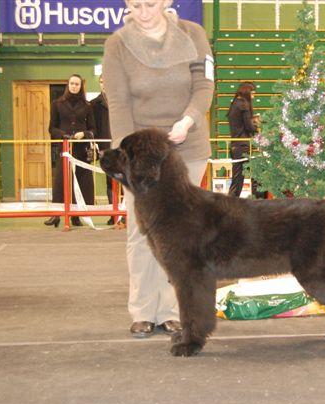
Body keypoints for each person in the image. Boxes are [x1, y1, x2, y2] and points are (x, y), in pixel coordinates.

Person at [103, 0, 214, 337]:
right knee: (141, 234)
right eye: (135, 5)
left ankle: (172, 310)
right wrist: (128, 156)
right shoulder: (117, 45)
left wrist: (189, 120)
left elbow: (204, 86)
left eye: (150, 3)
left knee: (182, 235)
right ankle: (142, 310)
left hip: (187, 147)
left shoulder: (194, 34)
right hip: (141, 157)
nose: (144, 11)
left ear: (166, 2)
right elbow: (119, 105)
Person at [45, 74, 96, 228]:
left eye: (77, 84)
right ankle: (56, 214)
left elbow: (93, 128)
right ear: (68, 85)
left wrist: (85, 134)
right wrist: (65, 135)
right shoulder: (57, 104)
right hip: (66, 148)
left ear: (81, 86)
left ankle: (78, 215)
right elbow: (52, 128)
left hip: (82, 149)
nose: (74, 86)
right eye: (72, 83)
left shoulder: (87, 106)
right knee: (61, 181)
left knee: (82, 182)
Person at [90, 75, 116, 225]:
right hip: (105, 149)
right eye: (102, 81)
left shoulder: (121, 102)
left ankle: (126, 214)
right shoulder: (93, 104)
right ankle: (114, 215)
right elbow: (93, 128)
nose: (105, 84)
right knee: (109, 182)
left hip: (121, 147)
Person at [227, 82, 257, 197]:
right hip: (244, 144)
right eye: (253, 94)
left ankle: (230, 204)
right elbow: (249, 127)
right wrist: (256, 126)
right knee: (256, 175)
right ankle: (259, 201)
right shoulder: (244, 105)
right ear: (247, 93)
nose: (253, 97)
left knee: (237, 178)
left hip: (235, 144)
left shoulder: (234, 103)